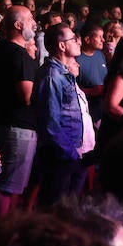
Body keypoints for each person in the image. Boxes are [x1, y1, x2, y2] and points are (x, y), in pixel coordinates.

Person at [0, 6, 40, 218]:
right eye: (29, 19)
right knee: (8, 187)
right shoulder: (19, 55)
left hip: (8, 124)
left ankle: (7, 230)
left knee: (13, 186)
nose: (34, 23)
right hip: (18, 129)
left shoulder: (3, 49)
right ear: (18, 25)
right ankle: (1, 234)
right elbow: (27, 96)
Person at [33, 23, 94, 205]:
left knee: (68, 209)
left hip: (73, 153)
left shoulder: (65, 73)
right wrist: (71, 153)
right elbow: (50, 124)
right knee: (55, 209)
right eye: (73, 39)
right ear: (62, 46)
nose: (78, 42)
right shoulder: (52, 76)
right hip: (61, 156)